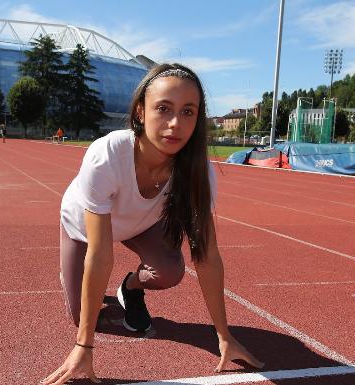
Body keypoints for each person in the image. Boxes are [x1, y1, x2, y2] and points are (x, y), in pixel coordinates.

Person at [43, 63, 263, 385]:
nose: (176, 124)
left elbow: (208, 257)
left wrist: (224, 336)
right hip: (83, 226)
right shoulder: (107, 155)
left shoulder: (197, 171)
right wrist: (83, 346)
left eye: (188, 111)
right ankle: (71, 276)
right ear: (140, 112)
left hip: (139, 225)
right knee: (81, 317)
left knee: (170, 271)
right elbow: (101, 254)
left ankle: (128, 288)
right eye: (163, 108)